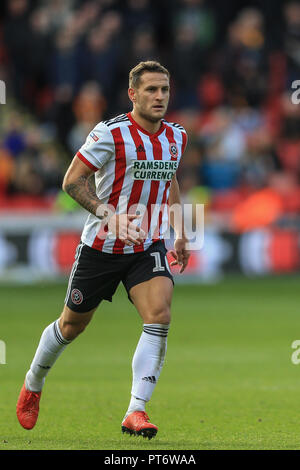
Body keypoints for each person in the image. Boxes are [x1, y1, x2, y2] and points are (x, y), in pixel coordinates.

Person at [16, 61, 190, 439]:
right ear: (133, 94)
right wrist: (107, 215)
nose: (159, 96)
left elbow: (169, 177)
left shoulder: (177, 136)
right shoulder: (110, 133)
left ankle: (136, 410)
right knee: (71, 325)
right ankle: (34, 381)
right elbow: (71, 181)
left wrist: (181, 232)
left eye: (164, 90)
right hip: (100, 247)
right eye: (151, 90)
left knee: (159, 312)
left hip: (147, 244)